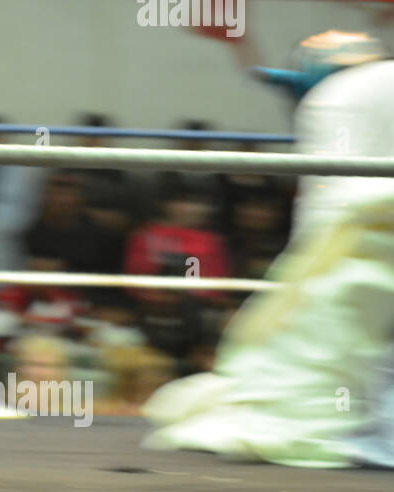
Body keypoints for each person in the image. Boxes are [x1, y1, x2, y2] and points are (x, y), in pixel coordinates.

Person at [144, 29, 394, 467]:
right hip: (374, 222)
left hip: (368, 225)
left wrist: (303, 273)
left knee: (331, 330)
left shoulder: (335, 96)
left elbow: (332, 192)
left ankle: (364, 431)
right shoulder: (376, 83)